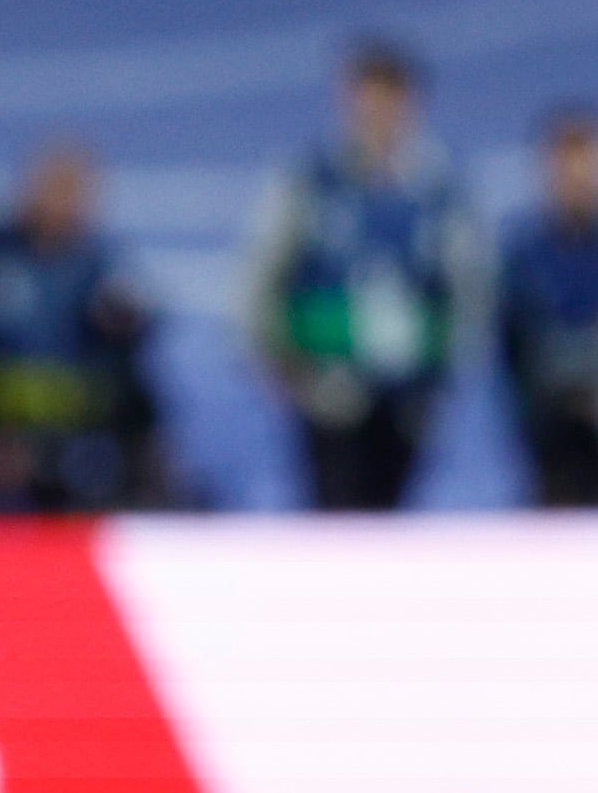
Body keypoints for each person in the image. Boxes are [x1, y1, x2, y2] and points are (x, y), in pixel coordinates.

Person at [243, 40, 484, 511]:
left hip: (409, 392)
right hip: (327, 389)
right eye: (368, 98)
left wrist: (450, 368)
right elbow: (262, 273)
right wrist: (275, 359)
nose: (379, 112)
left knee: (392, 515)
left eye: (391, 98)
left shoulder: (438, 190)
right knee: (335, 513)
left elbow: (470, 286)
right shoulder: (312, 180)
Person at [0, 139, 165, 513]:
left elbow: (131, 371)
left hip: (81, 448)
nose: (66, 203)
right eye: (57, 188)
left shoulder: (104, 269)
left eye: (78, 191)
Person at [500, 104, 598, 507]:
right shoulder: (525, 250)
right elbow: (514, 347)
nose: (574, 176)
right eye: (564, 163)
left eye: (583, 162)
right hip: (552, 436)